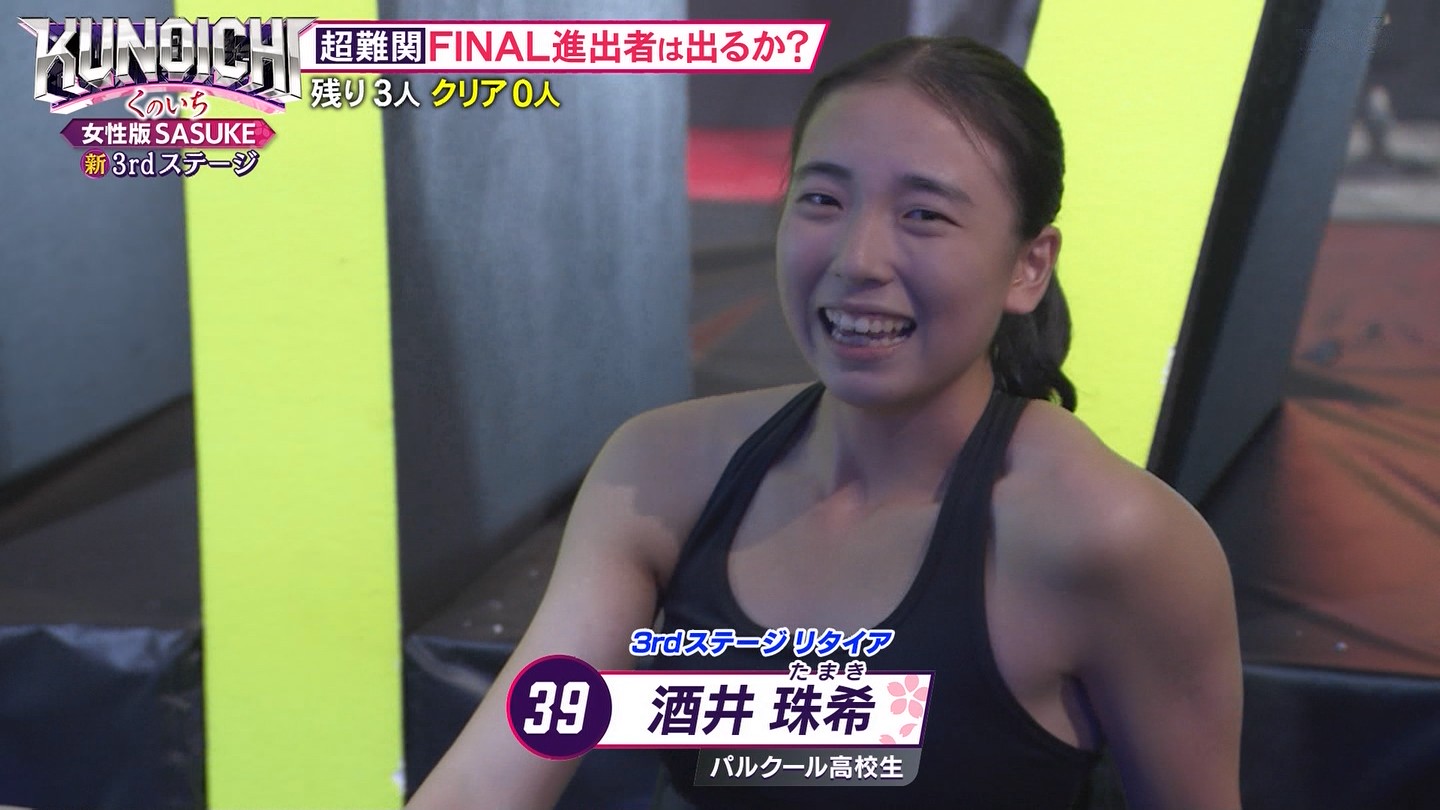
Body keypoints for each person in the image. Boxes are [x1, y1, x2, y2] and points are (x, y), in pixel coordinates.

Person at [409, 36, 1243, 810]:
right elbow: (495, 774)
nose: (856, 259)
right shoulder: (659, 471)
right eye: (821, 199)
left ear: (1029, 266)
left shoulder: (1112, 536)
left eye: (924, 215)